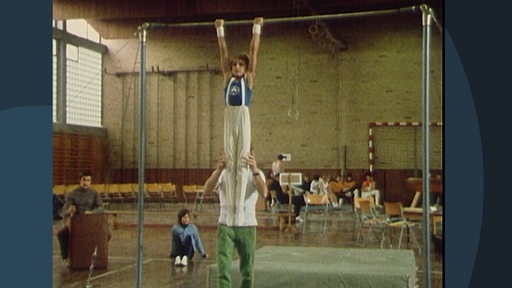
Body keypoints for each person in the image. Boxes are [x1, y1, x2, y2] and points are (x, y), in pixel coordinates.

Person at [214, 17, 263, 225]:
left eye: (240, 65)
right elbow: (223, 52)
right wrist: (220, 30)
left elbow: (253, 51)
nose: (235, 67)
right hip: (228, 115)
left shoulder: (249, 77)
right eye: (233, 64)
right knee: (230, 162)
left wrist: (257, 28)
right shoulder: (227, 76)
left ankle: (241, 212)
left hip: (243, 115)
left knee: (242, 159)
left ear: (245, 67)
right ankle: (231, 211)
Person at [203, 149, 267, 288]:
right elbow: (207, 189)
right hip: (226, 224)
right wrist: (219, 170)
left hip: (248, 224)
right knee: (223, 268)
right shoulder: (224, 172)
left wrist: (254, 169)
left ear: (251, 154)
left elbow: (264, 193)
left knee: (247, 270)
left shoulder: (256, 173)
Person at [57, 171, 105, 262]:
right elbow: (64, 211)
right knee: (61, 234)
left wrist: (92, 212)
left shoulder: (94, 193)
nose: (86, 182)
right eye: (84, 180)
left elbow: (101, 207)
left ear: (90, 182)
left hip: (90, 222)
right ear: (80, 180)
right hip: (76, 223)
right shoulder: (72, 193)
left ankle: (98, 256)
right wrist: (69, 211)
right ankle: (66, 257)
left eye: (88, 180)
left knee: (108, 233)